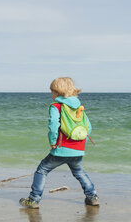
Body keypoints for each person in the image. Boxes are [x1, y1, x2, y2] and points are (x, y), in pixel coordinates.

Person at [20, 77, 99, 209]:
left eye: (52, 92)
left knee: (42, 170)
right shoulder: (79, 107)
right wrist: (80, 143)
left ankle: (33, 200)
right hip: (78, 149)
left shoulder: (56, 106)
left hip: (61, 148)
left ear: (57, 92)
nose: (51, 95)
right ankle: (92, 197)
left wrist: (52, 141)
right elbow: (88, 127)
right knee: (79, 172)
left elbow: (53, 125)